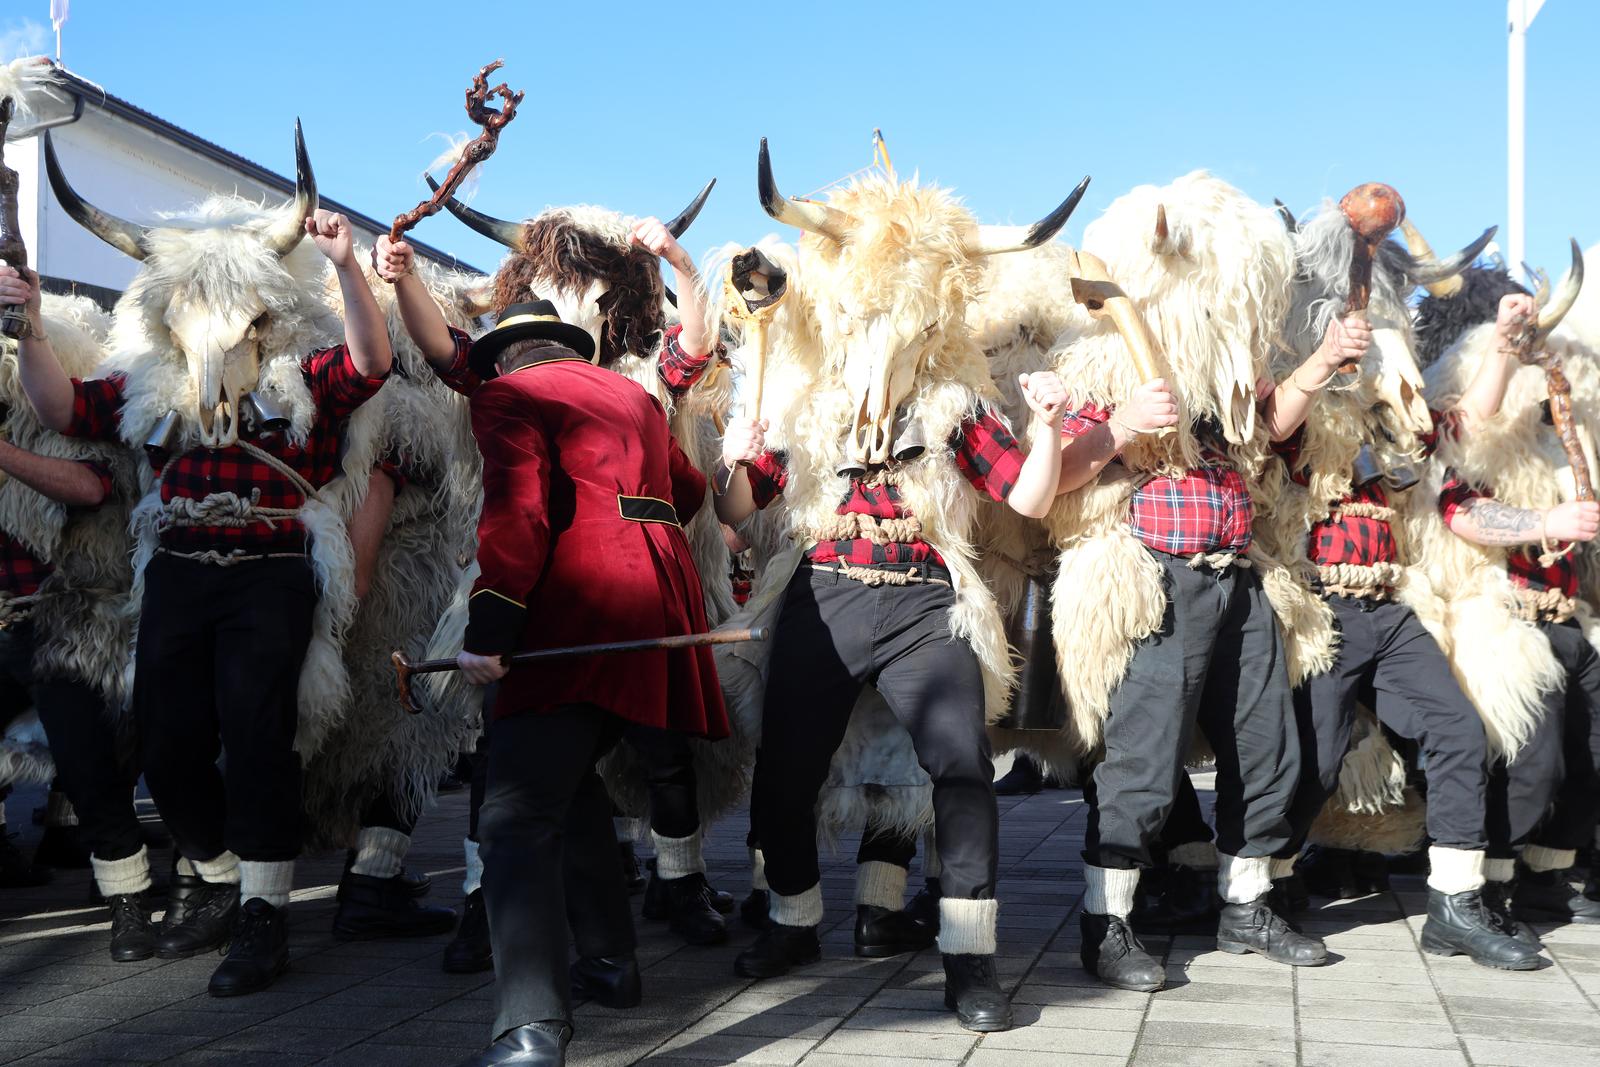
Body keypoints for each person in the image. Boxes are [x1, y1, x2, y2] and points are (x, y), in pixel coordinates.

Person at [15, 156, 393, 996]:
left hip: (271, 566)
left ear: (265, 315)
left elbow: (372, 364)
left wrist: (346, 267)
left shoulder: (306, 379)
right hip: (178, 567)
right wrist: (32, 325)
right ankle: (219, 872)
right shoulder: (150, 385)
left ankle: (262, 913)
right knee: (164, 733)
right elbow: (58, 409)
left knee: (258, 729)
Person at [446, 300, 728, 1067]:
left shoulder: (507, 396)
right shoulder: (632, 394)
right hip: (659, 603)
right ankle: (609, 960)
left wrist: (491, 630)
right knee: (566, 791)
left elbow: (518, 512)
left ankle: (530, 1027)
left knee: (511, 815)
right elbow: (691, 493)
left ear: (503, 356)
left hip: (577, 609)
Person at [0, 282, 145, 955]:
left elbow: (91, 486)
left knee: (90, 766)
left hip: (66, 620)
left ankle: (126, 896)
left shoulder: (90, 409)